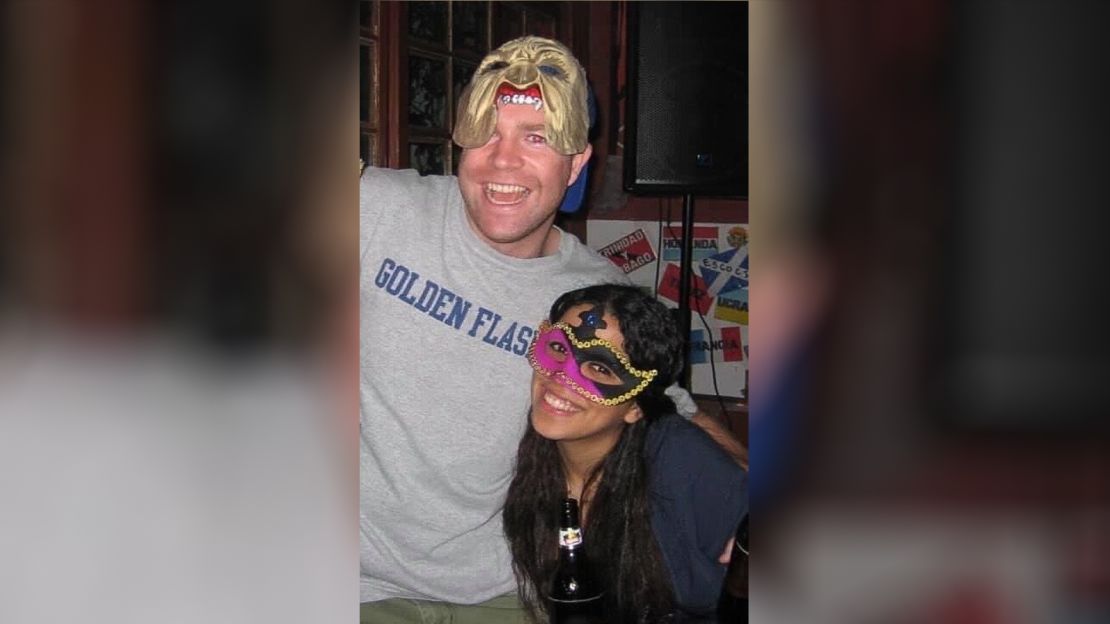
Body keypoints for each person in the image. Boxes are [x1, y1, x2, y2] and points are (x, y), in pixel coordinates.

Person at [360, 35, 742, 622]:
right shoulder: (378, 210)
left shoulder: (596, 298)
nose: (503, 160)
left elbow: (666, 407)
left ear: (577, 164)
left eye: (535, 138)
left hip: (504, 583)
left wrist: (743, 497)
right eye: (487, 131)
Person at [504, 284, 748, 623]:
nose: (561, 377)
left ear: (635, 407)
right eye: (559, 347)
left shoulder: (681, 462)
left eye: (600, 368)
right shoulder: (538, 459)